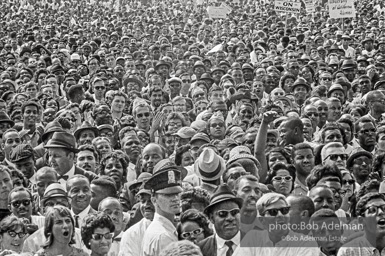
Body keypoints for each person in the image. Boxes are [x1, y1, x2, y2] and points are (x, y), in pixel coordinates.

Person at [141, 161, 183, 256]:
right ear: (154, 200)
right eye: (168, 195)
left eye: (177, 194)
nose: (175, 199)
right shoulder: (163, 236)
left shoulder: (162, 229)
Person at [198, 184, 243, 256]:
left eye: (234, 212)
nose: (230, 218)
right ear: (211, 218)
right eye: (223, 214)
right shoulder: (201, 249)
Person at [120, 184, 154, 256]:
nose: (146, 205)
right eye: (143, 201)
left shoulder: (176, 226)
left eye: (151, 201)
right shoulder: (132, 234)